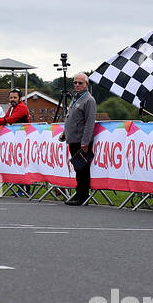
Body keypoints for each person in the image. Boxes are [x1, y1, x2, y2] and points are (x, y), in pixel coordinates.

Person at [59, 73, 96, 205]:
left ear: (86, 84)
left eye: (80, 83)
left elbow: (89, 122)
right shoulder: (75, 99)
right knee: (77, 168)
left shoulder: (89, 100)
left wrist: (85, 142)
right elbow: (70, 118)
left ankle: (83, 195)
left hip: (81, 141)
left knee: (82, 170)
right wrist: (64, 133)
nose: (77, 85)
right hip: (72, 139)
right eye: (75, 83)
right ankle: (78, 193)